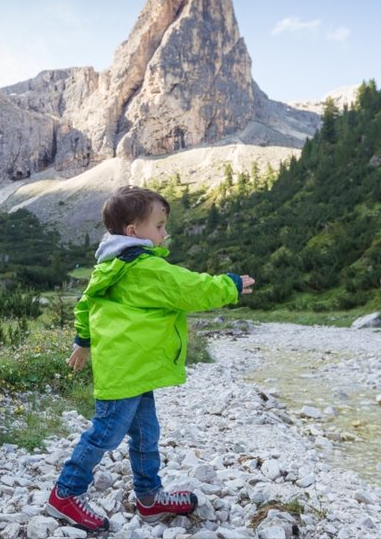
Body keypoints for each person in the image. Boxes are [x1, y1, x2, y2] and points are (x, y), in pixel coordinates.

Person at [45, 186, 255, 531]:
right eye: (158, 226)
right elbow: (190, 287)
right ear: (133, 231)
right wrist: (230, 285)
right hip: (128, 370)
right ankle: (65, 494)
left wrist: (83, 339)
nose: (164, 233)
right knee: (106, 433)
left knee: (145, 433)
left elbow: (85, 303)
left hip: (132, 368)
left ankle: (149, 498)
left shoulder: (109, 264)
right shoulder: (144, 268)